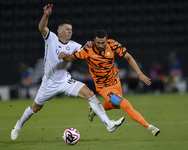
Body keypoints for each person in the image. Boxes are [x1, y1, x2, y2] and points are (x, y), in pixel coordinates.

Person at [11, 4, 125, 141]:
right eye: (67, 29)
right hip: (49, 83)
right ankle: (18, 125)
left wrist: (90, 44)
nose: (70, 32)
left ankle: (109, 124)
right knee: (35, 107)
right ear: (59, 31)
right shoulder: (51, 38)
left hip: (65, 80)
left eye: (71, 30)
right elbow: (41, 28)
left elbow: (86, 50)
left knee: (90, 94)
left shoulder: (74, 45)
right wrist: (46, 15)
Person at [59, 30, 160, 136]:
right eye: (98, 43)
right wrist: (64, 54)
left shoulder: (113, 45)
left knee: (116, 105)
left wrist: (139, 73)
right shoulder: (87, 51)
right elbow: (69, 58)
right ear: (94, 41)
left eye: (103, 43)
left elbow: (128, 57)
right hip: (104, 88)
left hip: (116, 82)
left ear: (107, 41)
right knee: (125, 105)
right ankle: (150, 127)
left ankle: (95, 109)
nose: (101, 45)